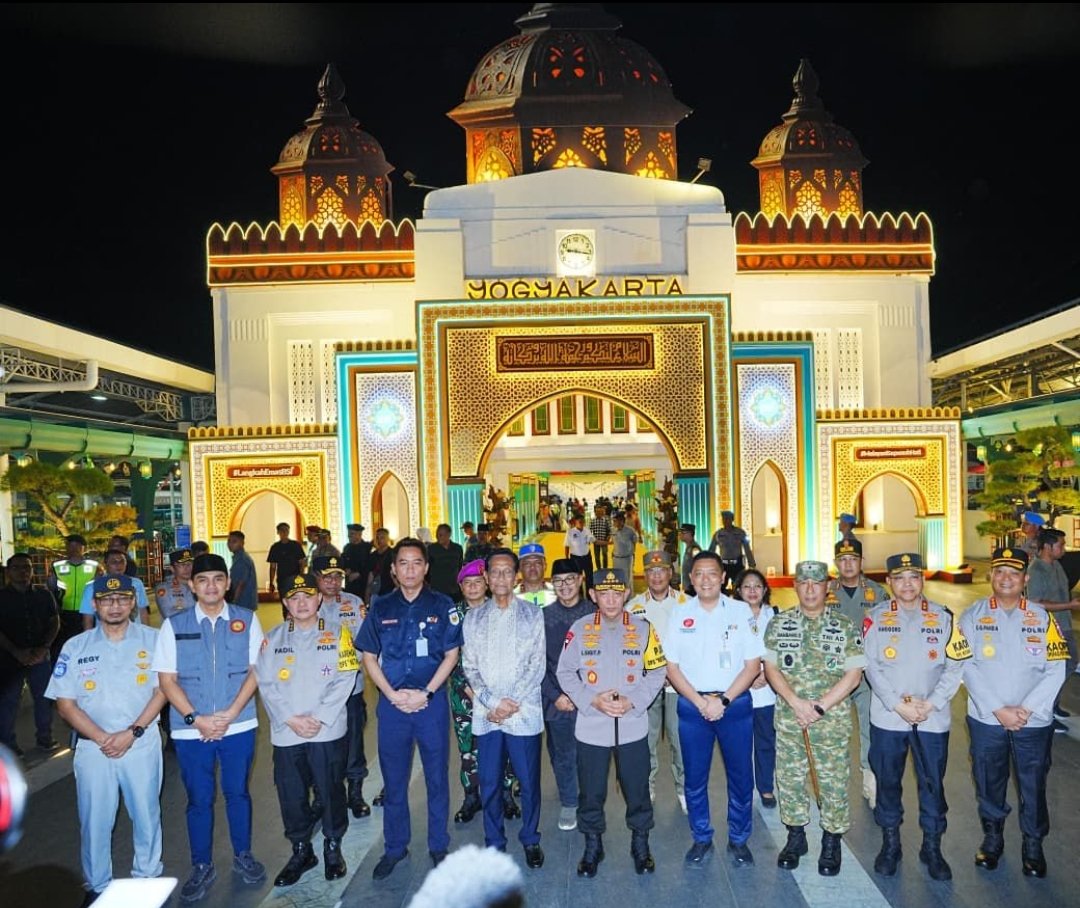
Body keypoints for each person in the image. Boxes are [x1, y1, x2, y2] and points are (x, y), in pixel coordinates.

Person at [46, 574, 166, 907]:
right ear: (95, 605)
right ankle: (97, 885)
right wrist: (102, 737)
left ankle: (147, 879)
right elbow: (65, 703)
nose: (115, 606)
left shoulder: (155, 640)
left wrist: (132, 733)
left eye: (123, 599)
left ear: (132, 602)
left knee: (146, 815)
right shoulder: (76, 646)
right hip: (93, 748)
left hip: (140, 743)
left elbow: (163, 690)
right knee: (95, 819)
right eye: (107, 600)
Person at [152, 553, 267, 903]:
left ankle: (243, 855)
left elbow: (256, 671)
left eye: (218, 578)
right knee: (199, 800)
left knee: (238, 794)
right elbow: (167, 681)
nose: (211, 586)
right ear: (192, 585)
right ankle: (202, 865)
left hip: (239, 725)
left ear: (228, 584)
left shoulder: (247, 620)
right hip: (191, 731)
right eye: (203, 580)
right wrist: (195, 719)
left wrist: (230, 714)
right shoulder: (173, 625)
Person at [356, 538, 462, 880]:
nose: (410, 569)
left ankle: (438, 845)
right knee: (394, 780)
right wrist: (390, 694)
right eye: (403, 563)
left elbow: (451, 654)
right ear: (393, 569)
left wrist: (427, 693)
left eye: (417, 562)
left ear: (426, 567)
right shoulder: (381, 607)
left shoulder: (443, 604)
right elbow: (369, 657)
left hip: (430, 704)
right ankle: (394, 848)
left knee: (436, 778)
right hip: (392, 706)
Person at [960, 546, 1067, 878]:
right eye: (1000, 572)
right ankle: (993, 839)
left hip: (1032, 723)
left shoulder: (1042, 617)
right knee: (989, 782)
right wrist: (997, 710)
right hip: (986, 720)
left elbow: (1056, 668)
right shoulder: (972, 616)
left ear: (1025, 578)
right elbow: (965, 666)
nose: (1006, 578)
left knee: (1033, 784)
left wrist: (1026, 710)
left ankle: (1033, 845)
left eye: (1014, 573)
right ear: (991, 576)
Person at [556, 568, 667, 877]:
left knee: (637, 789)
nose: (610, 600)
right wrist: (591, 699)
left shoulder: (645, 629)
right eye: (602, 593)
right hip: (592, 726)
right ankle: (593, 846)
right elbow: (565, 672)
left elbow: (658, 671)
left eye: (616, 593)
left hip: (632, 723)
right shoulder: (579, 629)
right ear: (592, 595)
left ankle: (641, 844)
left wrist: (634, 700)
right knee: (591, 792)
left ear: (626, 594)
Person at [863, 552, 966, 881]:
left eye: (914, 577)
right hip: (889, 717)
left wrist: (932, 702)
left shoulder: (945, 617)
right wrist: (898, 704)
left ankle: (932, 847)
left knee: (932, 784)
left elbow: (956, 665)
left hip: (932, 718)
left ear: (922, 580)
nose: (907, 585)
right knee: (888, 782)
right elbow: (871, 667)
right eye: (899, 578)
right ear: (889, 582)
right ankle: (890, 843)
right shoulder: (876, 617)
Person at [764, 560, 866, 876]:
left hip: (831, 720)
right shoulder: (779, 625)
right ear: (795, 586)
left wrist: (819, 706)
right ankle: (796, 837)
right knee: (790, 779)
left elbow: (854, 675)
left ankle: (831, 841)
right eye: (804, 583)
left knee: (834, 781)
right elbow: (771, 668)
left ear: (827, 586)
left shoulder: (845, 625)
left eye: (817, 583)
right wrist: (795, 703)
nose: (810, 589)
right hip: (791, 717)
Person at [256, 573, 356, 887]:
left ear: (317, 601)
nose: (301, 603)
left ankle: (332, 846)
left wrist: (320, 717)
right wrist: (291, 718)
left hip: (325, 730)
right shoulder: (272, 638)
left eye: (307, 597)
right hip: (287, 732)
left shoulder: (339, 634)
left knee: (330, 789)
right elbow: (265, 682)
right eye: (294, 598)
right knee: (291, 794)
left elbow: (346, 676)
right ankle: (301, 850)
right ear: (285, 602)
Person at [663, 552, 763, 868]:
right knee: (694, 779)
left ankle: (739, 838)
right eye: (698, 574)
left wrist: (722, 701)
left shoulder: (740, 611)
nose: (705, 579)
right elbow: (671, 667)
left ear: (723, 578)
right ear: (690, 579)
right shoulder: (679, 615)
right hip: (693, 708)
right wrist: (700, 701)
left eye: (712, 573)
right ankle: (701, 837)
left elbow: (752, 666)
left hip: (734, 705)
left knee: (741, 777)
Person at [462, 548, 546, 868]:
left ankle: (530, 838)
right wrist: (492, 703)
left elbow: (537, 664)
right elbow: (469, 666)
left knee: (528, 781)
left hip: (523, 713)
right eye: (494, 572)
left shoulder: (532, 614)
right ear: (485, 576)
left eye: (507, 572)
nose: (500, 577)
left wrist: (510, 702)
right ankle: (494, 841)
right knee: (491, 781)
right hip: (487, 714)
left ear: (516, 576)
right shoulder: (473, 618)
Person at [826, 537, 888, 807]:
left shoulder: (878, 593)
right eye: (843, 560)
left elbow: (888, 634)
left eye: (853, 559)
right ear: (836, 563)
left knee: (868, 728)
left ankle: (870, 780)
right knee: (833, 731)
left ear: (862, 562)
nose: (848, 564)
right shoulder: (825, 592)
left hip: (866, 675)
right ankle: (833, 785)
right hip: (834, 675)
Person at [626, 550, 687, 812]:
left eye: (662, 570)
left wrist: (673, 672)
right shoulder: (634, 607)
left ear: (670, 573)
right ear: (645, 574)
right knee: (646, 739)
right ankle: (647, 786)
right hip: (646, 685)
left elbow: (693, 646)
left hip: (679, 685)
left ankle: (684, 788)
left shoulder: (687, 603)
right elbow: (627, 647)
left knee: (679, 738)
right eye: (651, 571)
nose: (657, 575)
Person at [312, 555, 370, 818]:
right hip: (318, 693)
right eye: (327, 577)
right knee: (321, 744)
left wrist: (345, 671)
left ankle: (355, 794)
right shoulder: (307, 604)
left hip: (351, 688)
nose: (333, 582)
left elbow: (363, 642)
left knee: (354, 741)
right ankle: (322, 795)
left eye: (337, 577)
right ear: (316, 577)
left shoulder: (354, 603)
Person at [541, 559, 592, 831]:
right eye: (558, 581)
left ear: (581, 579)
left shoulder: (594, 613)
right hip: (556, 698)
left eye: (570, 579)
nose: (564, 586)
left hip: (590, 698)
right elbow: (536, 664)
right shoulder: (543, 616)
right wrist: (555, 695)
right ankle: (569, 802)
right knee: (562, 752)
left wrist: (585, 695)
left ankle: (589, 799)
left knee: (590, 752)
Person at [0, 553, 60, 755]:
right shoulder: (1, 597)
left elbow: (54, 622)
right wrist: (16, 652)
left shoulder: (43, 594)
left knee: (44, 699)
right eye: (16, 568)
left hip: (41, 656)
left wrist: (44, 648)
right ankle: (8, 744)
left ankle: (45, 738)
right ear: (8, 572)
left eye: (26, 567)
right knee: (9, 701)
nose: (23, 571)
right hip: (9, 659)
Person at [1025, 527, 1080, 731]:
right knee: (1054, 671)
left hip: (1063, 625)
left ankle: (1052, 704)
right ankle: (1045, 709)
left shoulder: (1057, 565)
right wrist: (1069, 606)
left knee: (1069, 664)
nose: (1064, 549)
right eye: (1061, 545)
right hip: (1048, 630)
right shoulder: (1036, 570)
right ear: (1047, 547)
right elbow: (1036, 603)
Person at [732, 568, 777, 810]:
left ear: (765, 590)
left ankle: (766, 787)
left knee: (766, 741)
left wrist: (767, 675)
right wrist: (749, 677)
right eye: (747, 586)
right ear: (738, 590)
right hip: (740, 690)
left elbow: (781, 651)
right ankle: (743, 789)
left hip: (769, 691)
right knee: (740, 744)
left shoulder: (775, 616)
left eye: (757, 586)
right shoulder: (729, 617)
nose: (752, 591)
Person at [449, 559, 489, 824]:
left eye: (477, 582)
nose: (473, 587)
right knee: (468, 748)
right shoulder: (453, 616)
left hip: (498, 694)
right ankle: (471, 796)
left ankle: (504, 794)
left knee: (502, 746)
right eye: (467, 583)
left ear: (486, 583)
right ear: (461, 587)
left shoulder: (499, 610)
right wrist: (468, 689)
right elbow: (449, 657)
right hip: (464, 695)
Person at [48, 534, 100, 658]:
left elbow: (99, 588)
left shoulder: (94, 566)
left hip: (88, 613)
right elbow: (50, 588)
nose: (74, 549)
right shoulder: (57, 566)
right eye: (70, 545)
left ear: (84, 548)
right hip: (64, 614)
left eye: (77, 546)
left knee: (87, 646)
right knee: (63, 648)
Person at [80, 549, 149, 629]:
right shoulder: (92, 587)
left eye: (122, 561)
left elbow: (143, 612)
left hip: (135, 635)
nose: (118, 565)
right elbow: (88, 619)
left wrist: (146, 634)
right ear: (105, 564)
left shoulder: (136, 583)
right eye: (114, 562)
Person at [707, 511, 755, 593]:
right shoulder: (718, 534)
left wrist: (751, 563)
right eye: (724, 519)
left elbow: (747, 548)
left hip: (737, 565)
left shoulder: (740, 533)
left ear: (732, 520)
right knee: (720, 589)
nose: (726, 521)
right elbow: (711, 550)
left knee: (739, 589)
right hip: (724, 565)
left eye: (728, 519)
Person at [427, 523, 464, 601]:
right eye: (437, 534)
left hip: (454, 590)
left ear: (448, 534)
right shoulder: (431, 549)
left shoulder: (458, 548)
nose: (438, 537)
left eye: (441, 535)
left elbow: (460, 567)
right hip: (437, 589)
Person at [268, 523, 307, 597]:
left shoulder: (296, 545)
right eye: (282, 530)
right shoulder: (275, 547)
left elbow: (302, 563)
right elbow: (273, 567)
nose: (284, 532)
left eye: (286, 530)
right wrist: (271, 582)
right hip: (282, 579)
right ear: (278, 532)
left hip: (295, 578)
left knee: (295, 601)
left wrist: (302, 577)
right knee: (284, 601)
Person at [515, 542, 556, 608]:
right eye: (527, 563)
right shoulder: (511, 598)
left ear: (545, 566)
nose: (532, 567)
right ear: (519, 568)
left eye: (537, 563)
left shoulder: (558, 594)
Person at [225, 531, 259, 611]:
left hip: (242, 601)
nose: (230, 544)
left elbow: (241, 584)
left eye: (234, 541)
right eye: (229, 541)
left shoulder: (242, 560)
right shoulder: (238, 558)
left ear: (242, 543)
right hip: (243, 601)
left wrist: (233, 601)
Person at [564, 514, 595, 589]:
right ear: (575, 522)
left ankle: (590, 594)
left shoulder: (587, 530)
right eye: (579, 522)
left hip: (587, 557)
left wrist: (591, 540)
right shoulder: (570, 532)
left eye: (583, 521)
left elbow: (591, 540)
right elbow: (566, 545)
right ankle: (579, 594)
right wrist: (567, 558)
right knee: (577, 577)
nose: (581, 523)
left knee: (589, 576)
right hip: (575, 558)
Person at [341, 523, 372, 598]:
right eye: (349, 534)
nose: (349, 536)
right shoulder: (347, 548)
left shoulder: (367, 548)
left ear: (359, 534)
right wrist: (345, 569)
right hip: (350, 585)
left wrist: (359, 574)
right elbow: (343, 562)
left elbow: (370, 566)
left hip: (363, 585)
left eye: (352, 534)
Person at [366, 528, 394, 602]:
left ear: (387, 539)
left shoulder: (393, 554)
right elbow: (371, 573)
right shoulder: (373, 555)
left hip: (390, 589)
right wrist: (367, 590)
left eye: (382, 538)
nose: (379, 540)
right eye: (377, 538)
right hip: (376, 589)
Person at [611, 512, 640, 582]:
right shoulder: (613, 530)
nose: (613, 523)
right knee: (617, 578)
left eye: (615, 521)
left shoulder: (630, 531)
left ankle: (628, 592)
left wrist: (631, 552)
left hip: (626, 559)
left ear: (621, 521)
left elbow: (635, 541)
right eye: (613, 521)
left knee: (627, 579)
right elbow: (614, 542)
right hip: (616, 558)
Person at [678, 524, 701, 595]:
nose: (680, 535)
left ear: (690, 534)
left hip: (693, 587)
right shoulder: (689, 548)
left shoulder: (694, 549)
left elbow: (699, 566)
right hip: (689, 587)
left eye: (683, 533)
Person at [588, 504, 612, 571]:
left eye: (601, 512)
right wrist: (590, 540)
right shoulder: (592, 521)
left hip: (604, 541)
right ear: (595, 512)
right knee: (597, 556)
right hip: (596, 541)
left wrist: (608, 536)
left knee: (604, 554)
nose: (599, 513)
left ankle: (605, 568)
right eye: (597, 512)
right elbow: (589, 531)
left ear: (603, 512)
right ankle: (599, 569)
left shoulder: (606, 520)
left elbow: (610, 530)